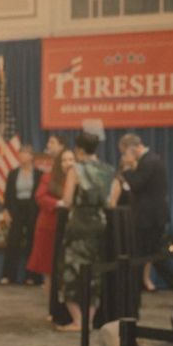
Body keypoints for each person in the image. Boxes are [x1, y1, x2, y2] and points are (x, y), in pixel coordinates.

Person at [57, 132, 114, 332]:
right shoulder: (109, 170)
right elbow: (110, 202)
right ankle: (89, 321)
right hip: (99, 226)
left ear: (79, 150)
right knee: (94, 274)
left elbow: (67, 200)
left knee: (71, 272)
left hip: (79, 226)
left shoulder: (76, 170)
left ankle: (77, 321)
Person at [119, 133, 173, 298]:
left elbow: (136, 184)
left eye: (123, 152)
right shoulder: (149, 160)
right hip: (149, 218)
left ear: (131, 149)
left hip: (149, 220)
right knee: (155, 257)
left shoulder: (149, 161)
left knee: (150, 257)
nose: (123, 156)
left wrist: (127, 169)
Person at [27, 148, 74, 303]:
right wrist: (58, 203)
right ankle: (52, 304)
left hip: (71, 228)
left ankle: (68, 303)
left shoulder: (79, 178)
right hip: (49, 227)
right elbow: (40, 197)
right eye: (64, 160)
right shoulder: (48, 177)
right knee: (48, 268)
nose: (68, 163)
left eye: (71, 160)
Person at [0, 145, 43, 285]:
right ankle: (8, 275)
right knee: (13, 242)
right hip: (16, 209)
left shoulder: (39, 174)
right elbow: (8, 194)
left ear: (31, 156)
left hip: (32, 209)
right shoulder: (13, 173)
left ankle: (32, 277)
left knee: (33, 242)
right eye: (20, 154)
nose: (21, 156)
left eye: (24, 153)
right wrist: (6, 210)